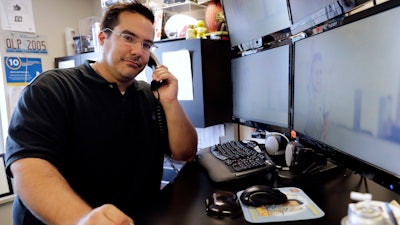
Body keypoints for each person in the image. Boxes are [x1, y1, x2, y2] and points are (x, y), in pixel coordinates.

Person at [4, 1, 198, 225]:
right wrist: (82, 219)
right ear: (102, 38)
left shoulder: (149, 95)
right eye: (128, 38)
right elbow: (30, 169)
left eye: (146, 45)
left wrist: (171, 101)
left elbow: (186, 152)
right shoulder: (51, 89)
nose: (138, 51)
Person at [304, 52, 329, 141]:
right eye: (315, 73)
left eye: (320, 73)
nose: (318, 77)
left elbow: (326, 115)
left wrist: (326, 130)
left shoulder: (324, 95)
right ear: (311, 75)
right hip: (307, 133)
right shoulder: (309, 89)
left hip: (319, 134)